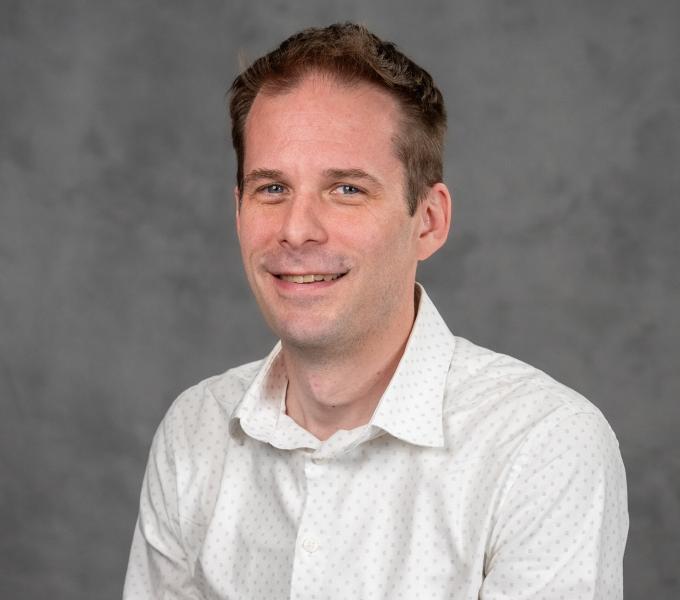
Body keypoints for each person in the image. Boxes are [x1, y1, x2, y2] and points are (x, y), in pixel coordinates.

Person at [123, 23, 628, 599]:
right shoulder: (195, 432)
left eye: (346, 190)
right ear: (238, 211)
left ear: (429, 221)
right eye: (271, 189)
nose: (296, 229)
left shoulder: (542, 445)